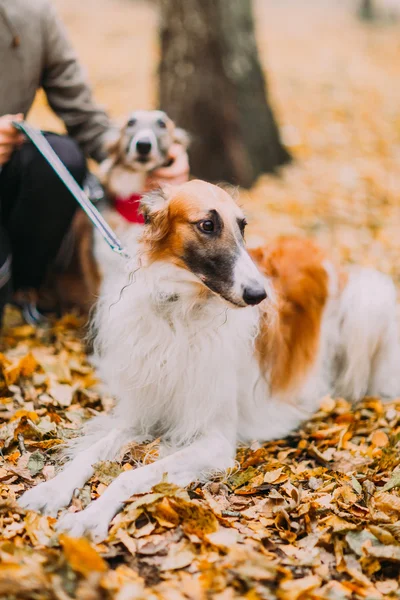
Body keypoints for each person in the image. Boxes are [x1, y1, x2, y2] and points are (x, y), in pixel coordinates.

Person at [0, 0, 189, 326]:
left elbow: (83, 112)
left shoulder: (33, 15)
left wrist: (154, 159)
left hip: (8, 172)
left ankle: (25, 290)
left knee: (62, 154)